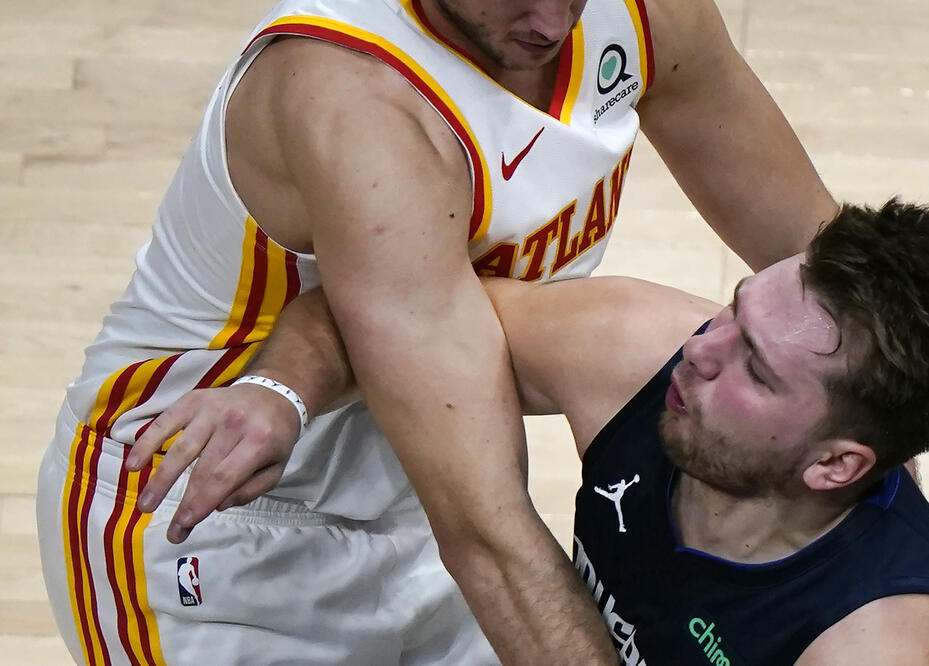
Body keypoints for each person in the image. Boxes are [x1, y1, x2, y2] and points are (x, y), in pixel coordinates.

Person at [36, 0, 837, 663]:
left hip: (419, 496)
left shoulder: (644, 17)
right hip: (206, 518)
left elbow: (837, 279)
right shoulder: (354, 98)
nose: (553, 20)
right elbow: (485, 532)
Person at [141, 200, 929, 664]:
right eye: (735, 310)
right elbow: (385, 311)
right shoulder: (637, 349)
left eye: (757, 369)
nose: (702, 351)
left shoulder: (880, 645)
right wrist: (278, 394)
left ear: (836, 465)